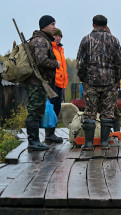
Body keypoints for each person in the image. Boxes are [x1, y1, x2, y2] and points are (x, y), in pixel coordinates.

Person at [76, 14, 121, 150]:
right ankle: (104, 143)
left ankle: (88, 144)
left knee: (90, 112)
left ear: (93, 24)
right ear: (106, 25)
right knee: (108, 113)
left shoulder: (86, 40)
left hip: (91, 83)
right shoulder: (114, 40)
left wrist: (84, 79)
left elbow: (80, 63)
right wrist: (116, 79)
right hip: (109, 83)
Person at [25, 15, 61, 150]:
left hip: (40, 82)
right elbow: (41, 60)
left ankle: (35, 141)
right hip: (37, 82)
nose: (54, 27)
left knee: (38, 110)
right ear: (44, 25)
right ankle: (33, 142)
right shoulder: (40, 40)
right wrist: (56, 64)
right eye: (52, 24)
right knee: (34, 111)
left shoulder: (43, 40)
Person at [45, 28, 69, 143]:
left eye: (60, 36)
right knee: (52, 108)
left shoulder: (60, 49)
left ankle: (51, 133)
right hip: (53, 83)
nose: (58, 38)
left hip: (60, 83)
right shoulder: (50, 48)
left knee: (57, 108)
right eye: (55, 35)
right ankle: (49, 134)